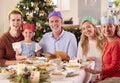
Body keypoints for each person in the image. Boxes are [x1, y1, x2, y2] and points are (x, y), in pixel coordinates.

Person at [84, 16, 120, 83]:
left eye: (110, 26)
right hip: (108, 77)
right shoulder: (106, 42)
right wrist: (102, 76)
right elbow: (106, 64)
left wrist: (96, 71)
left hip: (116, 77)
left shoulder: (117, 43)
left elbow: (115, 67)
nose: (106, 29)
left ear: (115, 27)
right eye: (104, 26)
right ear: (101, 28)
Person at [77, 16, 103, 83]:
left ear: (94, 27)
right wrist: (86, 59)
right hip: (86, 76)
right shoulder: (81, 43)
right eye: (83, 29)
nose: (86, 30)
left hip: (101, 74)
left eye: (88, 27)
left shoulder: (103, 41)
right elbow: (78, 60)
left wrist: (102, 75)